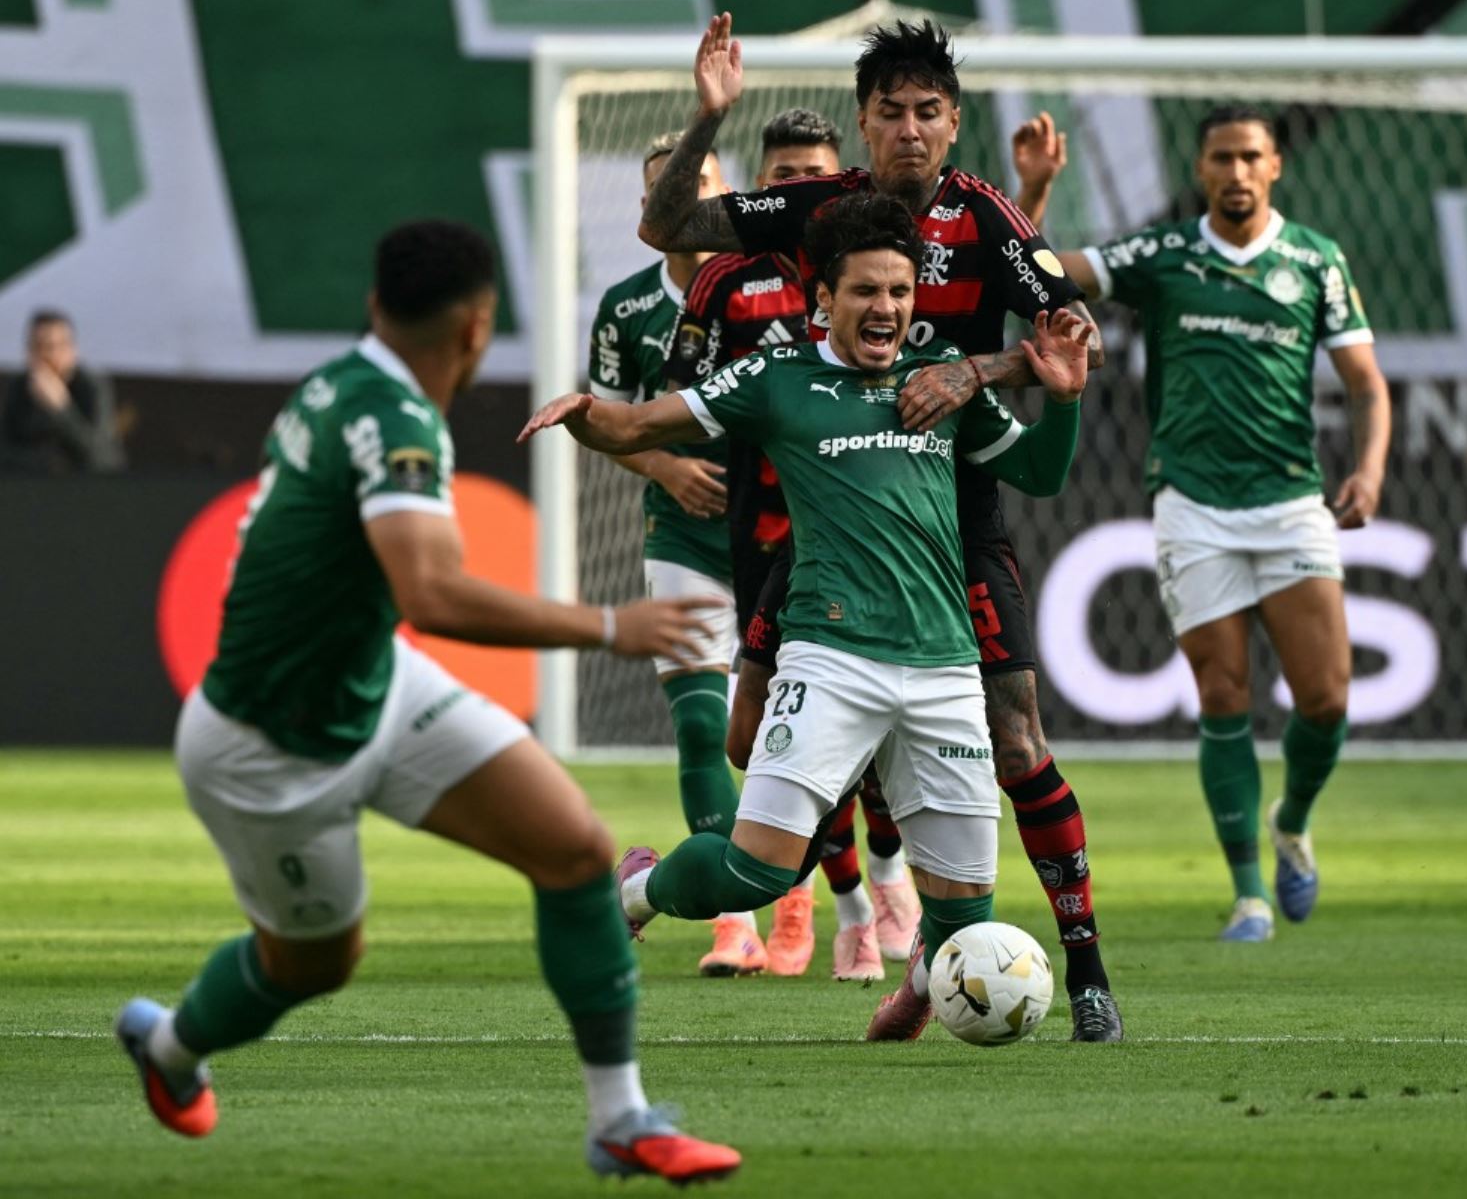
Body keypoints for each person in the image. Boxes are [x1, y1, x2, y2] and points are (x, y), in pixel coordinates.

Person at [114, 220, 739, 1186]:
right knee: (313, 964)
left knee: (574, 851)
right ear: (479, 329)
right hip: (270, 745)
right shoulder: (395, 418)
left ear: (376, 305)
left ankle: (620, 1121)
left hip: (372, 681)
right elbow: (433, 594)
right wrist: (614, 627)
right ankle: (170, 1051)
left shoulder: (348, 381)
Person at [637, 13, 1123, 1042]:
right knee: (745, 742)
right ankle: (845, 911)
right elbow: (668, 224)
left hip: (954, 512)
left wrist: (974, 370)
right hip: (817, 515)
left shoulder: (987, 218)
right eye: (890, 111)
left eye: (928, 112)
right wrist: (707, 117)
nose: (909, 129)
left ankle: (1081, 971)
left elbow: (1064, 333)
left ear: (953, 126)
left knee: (1019, 738)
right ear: (864, 123)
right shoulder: (818, 208)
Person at [520, 193, 1092, 1042]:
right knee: (755, 871)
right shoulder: (776, 378)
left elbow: (1041, 475)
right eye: (866, 291)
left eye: (900, 292)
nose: (888, 309)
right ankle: (637, 889)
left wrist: (1067, 399)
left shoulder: (939, 380)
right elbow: (642, 422)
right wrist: (586, 419)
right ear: (823, 296)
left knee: (966, 910)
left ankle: (919, 990)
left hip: (944, 667)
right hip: (829, 659)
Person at [1056, 105, 1394, 944]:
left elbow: (1366, 384)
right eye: (1220, 158)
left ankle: (1293, 818)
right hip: (1193, 506)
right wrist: (1026, 195)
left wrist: (1370, 469)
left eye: (1251, 156)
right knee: (1224, 695)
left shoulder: (1315, 260)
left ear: (1275, 165)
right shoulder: (1164, 254)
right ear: (1201, 169)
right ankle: (1248, 894)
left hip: (1289, 501)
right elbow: (1054, 270)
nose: (1236, 172)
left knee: (1327, 697)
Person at [663, 106, 913, 983]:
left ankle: (883, 881)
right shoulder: (722, 282)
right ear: (761, 193)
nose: (797, 191)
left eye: (814, 174)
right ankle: (840, 909)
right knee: (775, 739)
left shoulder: (875, 281)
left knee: (887, 741)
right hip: (767, 540)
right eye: (781, 180)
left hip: (871, 540)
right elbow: (684, 396)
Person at [590, 131, 816, 980]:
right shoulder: (625, 306)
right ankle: (734, 921)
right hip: (685, 529)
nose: (680, 206)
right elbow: (611, 420)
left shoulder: (785, 282)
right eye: (664, 193)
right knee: (698, 721)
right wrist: (667, 467)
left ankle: (796, 893)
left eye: (695, 189)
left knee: (783, 723)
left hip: (783, 529)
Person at [0, 310, 124, 473]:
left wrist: (61, 408)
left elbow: (100, 455)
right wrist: (45, 462)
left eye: (52, 347)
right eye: (38, 347)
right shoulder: (18, 386)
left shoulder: (91, 387)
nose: (46, 355)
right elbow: (5, 450)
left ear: (72, 350)